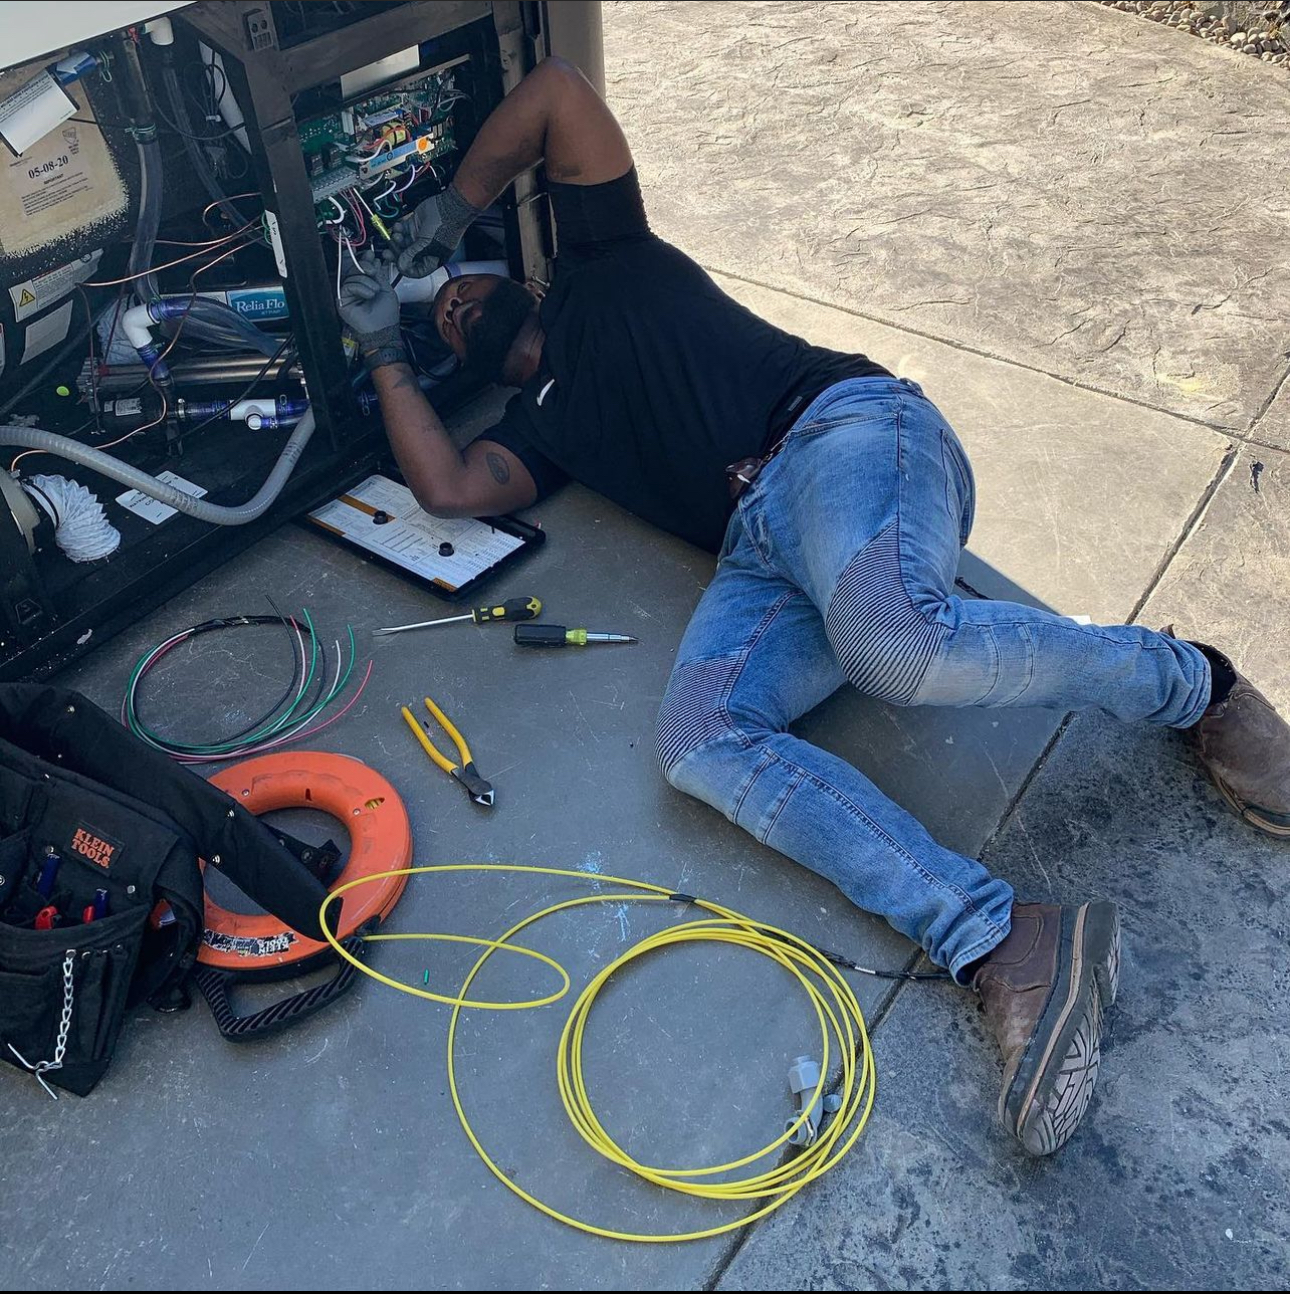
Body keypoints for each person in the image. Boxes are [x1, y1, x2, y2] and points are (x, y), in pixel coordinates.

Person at [336, 56, 1290, 1156]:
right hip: (759, 551)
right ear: (469, 368)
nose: (455, 306)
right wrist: (381, 342)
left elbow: (556, 94)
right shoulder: (536, 435)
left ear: (520, 280)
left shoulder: (605, 260)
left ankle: (1196, 683)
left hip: (847, 433)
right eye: (447, 327)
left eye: (462, 287)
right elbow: (446, 486)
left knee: (893, 645)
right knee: (699, 740)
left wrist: (442, 220)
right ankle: (1003, 940)